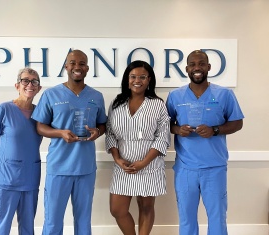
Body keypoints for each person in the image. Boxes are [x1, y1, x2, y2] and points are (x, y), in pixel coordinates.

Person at [165, 50, 244, 235]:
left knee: (217, 219)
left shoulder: (225, 94)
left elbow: (237, 122)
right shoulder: (175, 96)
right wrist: (178, 129)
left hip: (214, 168)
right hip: (185, 169)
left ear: (208, 67)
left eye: (201, 64)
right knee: (186, 219)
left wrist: (215, 130)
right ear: (186, 69)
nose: (197, 68)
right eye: (192, 64)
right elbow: (166, 124)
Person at [31, 49, 107, 235]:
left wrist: (98, 132)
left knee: (83, 221)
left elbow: (102, 125)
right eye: (73, 63)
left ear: (87, 68)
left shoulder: (96, 96)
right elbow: (40, 127)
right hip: (59, 168)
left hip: (86, 168)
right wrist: (60, 133)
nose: (77, 67)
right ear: (66, 66)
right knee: (53, 222)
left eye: (82, 63)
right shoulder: (51, 95)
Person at [105, 60, 171, 235]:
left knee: (146, 207)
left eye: (142, 77)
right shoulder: (116, 104)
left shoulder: (157, 104)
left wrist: (144, 162)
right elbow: (110, 133)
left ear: (149, 79)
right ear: (127, 79)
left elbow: (163, 136)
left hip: (149, 165)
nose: (137, 80)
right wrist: (117, 159)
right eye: (133, 76)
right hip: (123, 165)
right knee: (117, 210)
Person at [0, 67, 42, 235]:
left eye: (34, 81)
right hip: (5, 178)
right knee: (1, 226)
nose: (30, 84)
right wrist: (1, 161)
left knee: (27, 227)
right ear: (17, 85)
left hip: (30, 176)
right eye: (25, 80)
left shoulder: (40, 113)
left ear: (39, 88)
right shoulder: (3, 109)